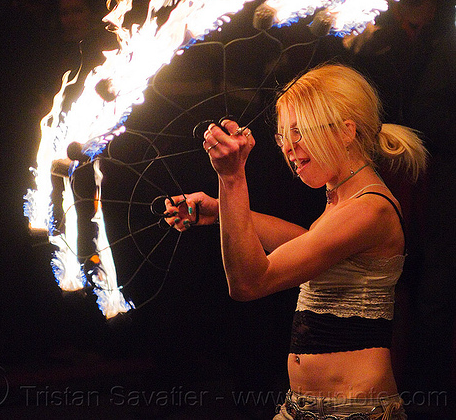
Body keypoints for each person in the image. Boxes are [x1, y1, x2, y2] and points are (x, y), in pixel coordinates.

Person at [165, 64, 427, 419]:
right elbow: (310, 245)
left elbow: (248, 282)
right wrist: (220, 210)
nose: (289, 148)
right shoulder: (343, 200)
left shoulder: (370, 209)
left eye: (300, 133)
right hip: (300, 408)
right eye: (283, 136)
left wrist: (231, 180)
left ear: (347, 131)